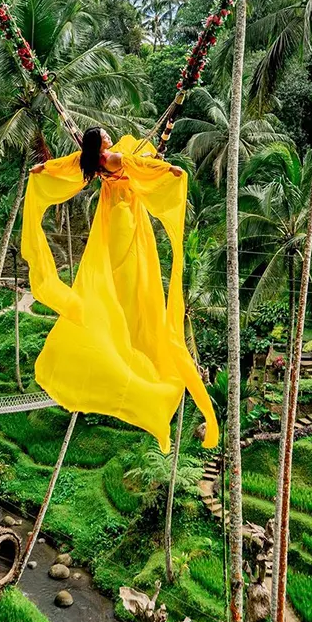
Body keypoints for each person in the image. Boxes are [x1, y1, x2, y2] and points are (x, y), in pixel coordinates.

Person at [22, 128, 219, 454]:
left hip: (110, 219)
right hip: (127, 217)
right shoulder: (113, 158)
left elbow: (65, 166)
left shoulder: (90, 160)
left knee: (113, 277)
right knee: (136, 272)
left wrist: (41, 170)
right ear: (101, 145)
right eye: (106, 136)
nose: (112, 138)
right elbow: (143, 169)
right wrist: (172, 171)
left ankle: (118, 314)